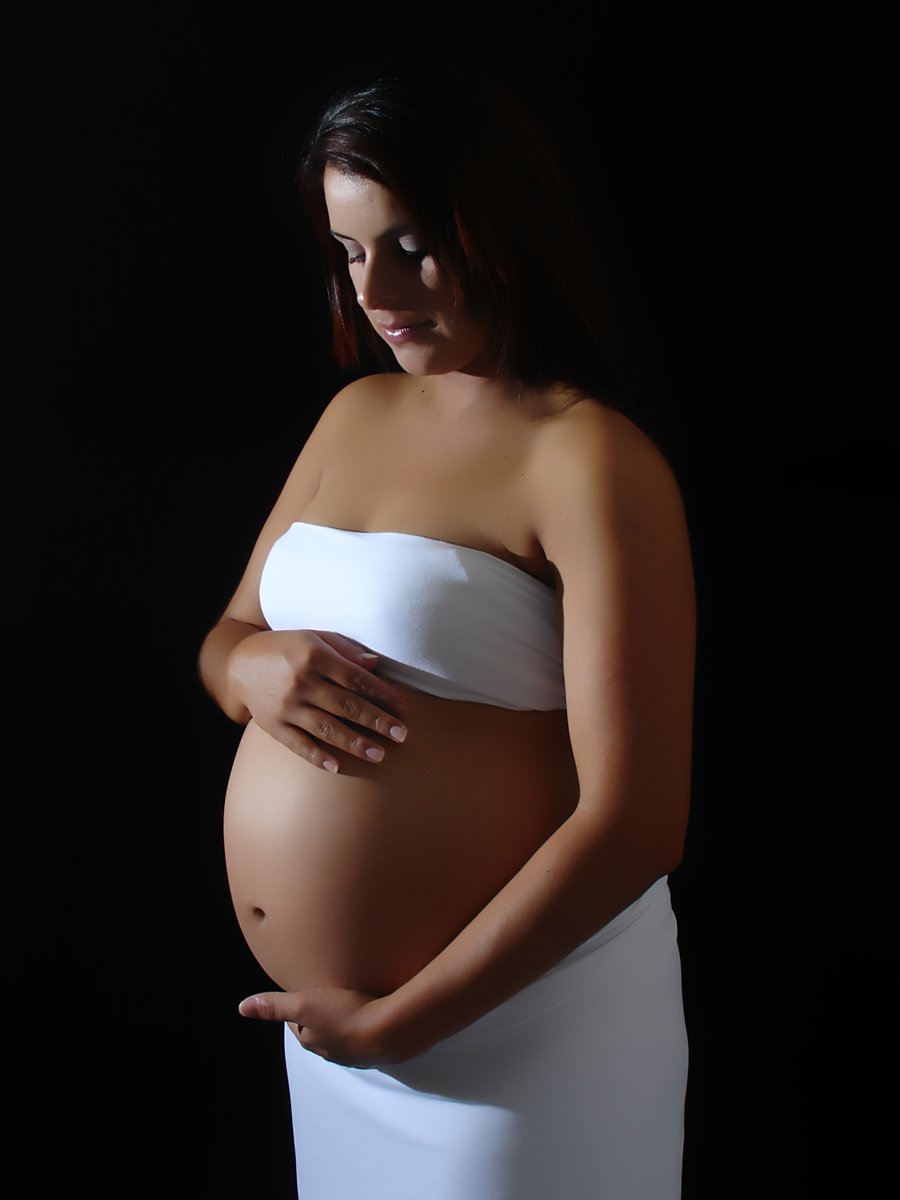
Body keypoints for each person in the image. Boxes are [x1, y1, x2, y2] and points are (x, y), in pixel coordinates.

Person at [198, 56, 695, 1200]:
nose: (378, 289)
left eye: (414, 242)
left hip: (521, 1034)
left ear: (501, 220)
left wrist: (403, 1023)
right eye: (350, 252)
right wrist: (254, 666)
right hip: (341, 1046)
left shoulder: (588, 456)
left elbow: (636, 823)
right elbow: (224, 639)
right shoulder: (352, 414)